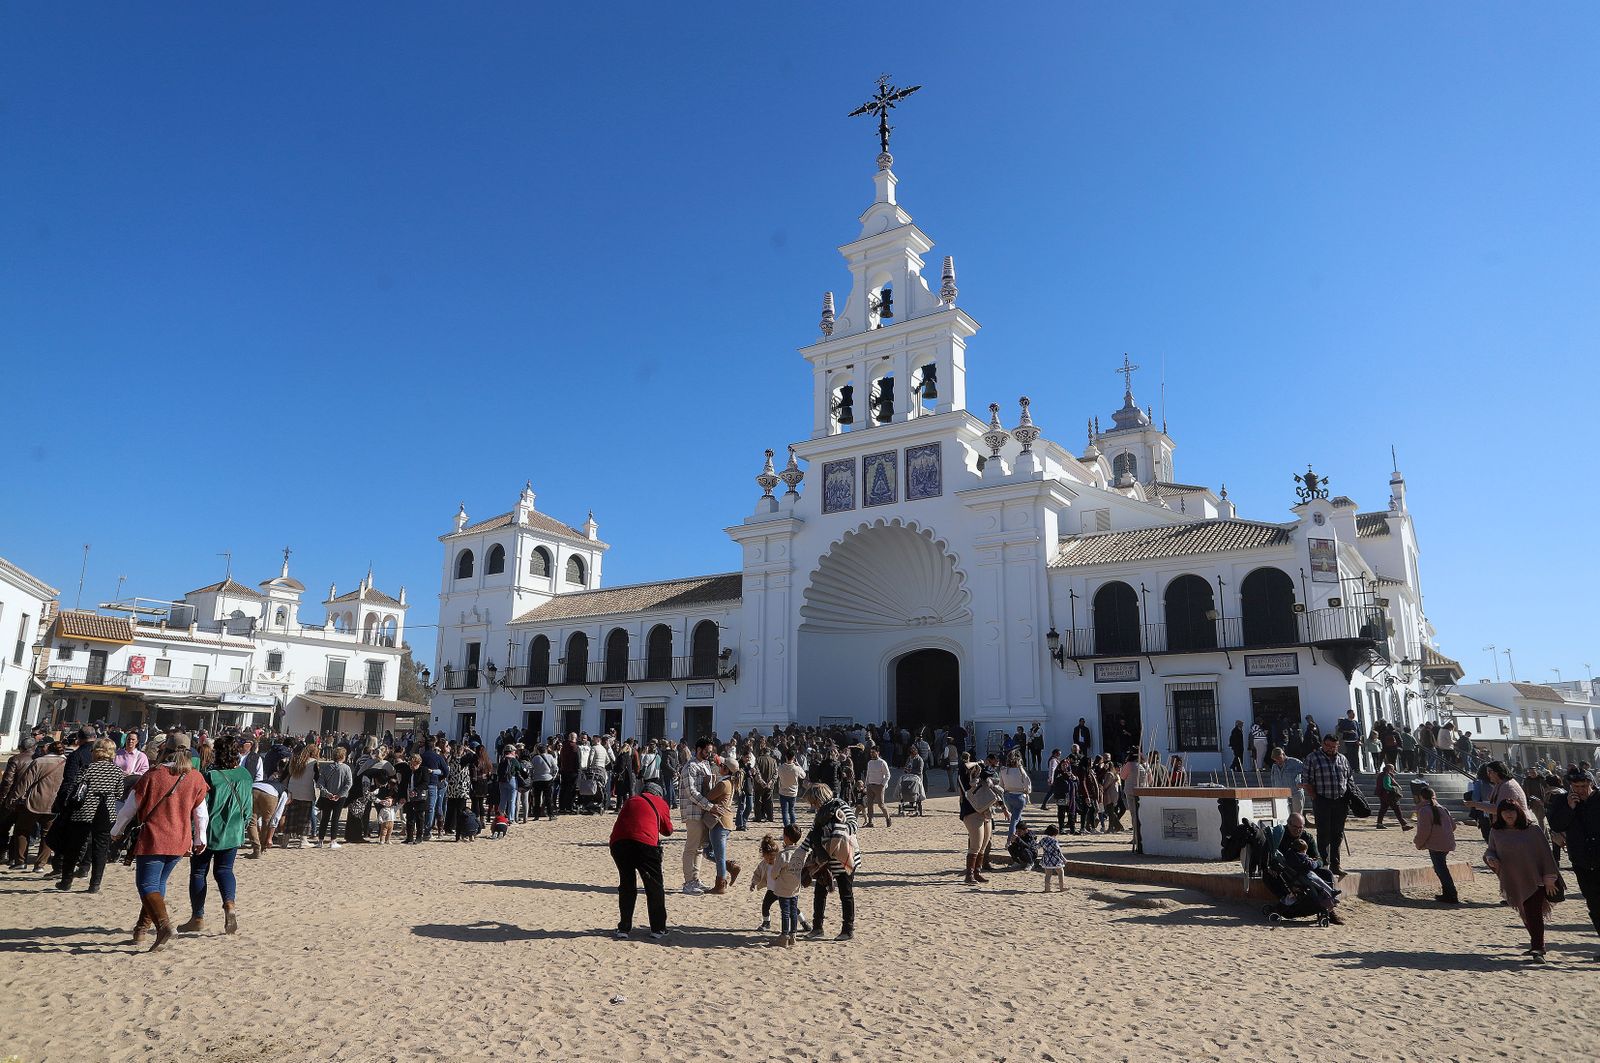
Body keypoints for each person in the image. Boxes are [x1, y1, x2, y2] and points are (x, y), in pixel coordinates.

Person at [109, 734, 210, 952]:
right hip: (180, 838)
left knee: (146, 885)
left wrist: (116, 830)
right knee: (158, 883)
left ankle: (163, 927)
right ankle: (141, 929)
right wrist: (200, 838)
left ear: (165, 749)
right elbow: (201, 813)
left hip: (154, 837)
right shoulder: (195, 777)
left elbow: (130, 807)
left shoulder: (153, 775)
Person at [179, 734, 252, 935]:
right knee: (225, 870)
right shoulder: (245, 775)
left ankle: (197, 917)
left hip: (209, 831)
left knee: (198, 872)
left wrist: (192, 832)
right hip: (233, 831)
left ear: (217, 753)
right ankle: (229, 904)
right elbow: (248, 807)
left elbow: (200, 807)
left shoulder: (210, 776)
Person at [1484, 799, 1560, 963]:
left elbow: (1546, 854)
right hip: (1512, 880)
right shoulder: (1496, 831)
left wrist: (1549, 878)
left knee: (1534, 913)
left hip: (1535, 879)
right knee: (1525, 913)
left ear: (1518, 812)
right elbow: (1491, 850)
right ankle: (1536, 945)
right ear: (1499, 814)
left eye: (1512, 811)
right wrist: (1491, 858)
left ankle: (1538, 948)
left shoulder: (1533, 830)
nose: (1508, 814)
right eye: (1504, 811)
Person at [54, 738, 123, 892]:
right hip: (106, 811)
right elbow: (119, 793)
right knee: (101, 848)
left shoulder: (87, 768)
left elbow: (76, 788)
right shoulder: (117, 771)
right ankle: (95, 884)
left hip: (84, 811)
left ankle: (66, 881)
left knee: (74, 846)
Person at [610, 781, 674, 940]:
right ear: (659, 794)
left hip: (619, 843)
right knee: (654, 886)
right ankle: (658, 928)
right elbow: (668, 830)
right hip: (645, 844)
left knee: (627, 885)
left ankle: (624, 928)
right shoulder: (660, 802)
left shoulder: (631, 800)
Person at [1546, 767, 1598, 957]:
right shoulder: (1562, 801)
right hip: (1581, 861)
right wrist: (1569, 807)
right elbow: (1556, 825)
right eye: (1576, 787)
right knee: (1594, 905)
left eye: (1584, 786)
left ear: (1591, 784)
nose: (1580, 790)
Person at [798, 783, 857, 941]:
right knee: (819, 893)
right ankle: (817, 928)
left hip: (843, 858)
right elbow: (813, 834)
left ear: (819, 797)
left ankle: (847, 930)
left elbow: (853, 825)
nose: (812, 805)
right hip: (824, 861)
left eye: (813, 801)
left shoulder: (840, 805)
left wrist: (837, 831)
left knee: (846, 894)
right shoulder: (820, 812)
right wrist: (801, 851)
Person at [9, 740, 65, 871]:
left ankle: (20, 861)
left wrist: (14, 798)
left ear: (48, 750)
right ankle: (40, 864)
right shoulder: (65, 763)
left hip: (35, 801)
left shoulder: (39, 762)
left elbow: (25, 783)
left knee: (22, 830)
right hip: (54, 802)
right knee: (47, 834)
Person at [1303, 733, 1352, 877]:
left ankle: (1336, 864)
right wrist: (1314, 797)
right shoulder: (1312, 758)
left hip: (1340, 800)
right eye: (1328, 746)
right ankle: (1324, 863)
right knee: (1323, 833)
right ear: (1323, 744)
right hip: (1322, 799)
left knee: (1337, 834)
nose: (1331, 749)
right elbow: (1307, 780)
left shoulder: (1342, 759)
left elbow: (1349, 778)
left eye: (1334, 746)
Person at [677, 738, 716, 894]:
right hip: (693, 812)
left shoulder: (705, 765)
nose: (709, 754)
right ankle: (688, 882)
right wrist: (710, 806)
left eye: (710, 751)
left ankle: (695, 878)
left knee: (699, 848)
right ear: (699, 749)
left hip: (704, 812)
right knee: (691, 847)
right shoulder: (690, 767)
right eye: (707, 751)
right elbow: (691, 792)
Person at [1412, 785, 1458, 904]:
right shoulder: (1442, 808)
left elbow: (1424, 831)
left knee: (1441, 870)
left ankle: (1451, 894)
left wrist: (1418, 843)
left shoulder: (1424, 811)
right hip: (1446, 843)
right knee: (1441, 869)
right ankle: (1448, 893)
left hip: (1435, 844)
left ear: (1421, 797)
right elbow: (1453, 826)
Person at [703, 757, 741, 894]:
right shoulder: (730, 782)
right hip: (725, 822)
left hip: (719, 822)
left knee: (718, 856)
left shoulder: (724, 784)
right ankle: (730, 867)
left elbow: (708, 797)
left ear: (726, 769)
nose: (719, 767)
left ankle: (720, 885)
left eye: (722, 766)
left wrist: (707, 783)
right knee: (709, 852)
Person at [959, 761, 998, 885]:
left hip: (986, 813)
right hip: (971, 813)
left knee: (983, 845)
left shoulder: (983, 780)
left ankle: (977, 872)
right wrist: (977, 762)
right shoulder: (965, 779)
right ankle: (969, 875)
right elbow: (964, 767)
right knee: (976, 845)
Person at [314, 747, 354, 848]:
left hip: (326, 796)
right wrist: (339, 794)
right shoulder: (346, 768)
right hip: (340, 797)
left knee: (324, 818)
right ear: (343, 756)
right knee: (335, 818)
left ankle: (320, 840)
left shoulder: (327, 767)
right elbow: (349, 783)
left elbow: (320, 783)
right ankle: (333, 841)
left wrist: (327, 793)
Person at [1265, 747, 1306, 818]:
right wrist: (1274, 791)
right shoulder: (1274, 766)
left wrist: (1302, 782)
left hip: (1295, 794)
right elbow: (1273, 780)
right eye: (1275, 759)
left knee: (1297, 817)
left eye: (1279, 758)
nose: (1278, 761)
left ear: (1283, 754)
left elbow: (1307, 772)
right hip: (1280, 796)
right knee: (1282, 817)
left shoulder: (1295, 762)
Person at [1374, 762, 1412, 831]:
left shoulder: (1381, 775)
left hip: (1382, 795)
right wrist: (1394, 788)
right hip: (1389, 796)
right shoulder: (1386, 775)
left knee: (1383, 809)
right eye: (1392, 769)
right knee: (1397, 809)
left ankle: (1379, 824)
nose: (1393, 770)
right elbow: (1387, 786)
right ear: (1390, 769)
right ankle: (1404, 825)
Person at [862, 746, 893, 828]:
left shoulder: (882, 762)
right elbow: (868, 774)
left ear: (878, 752)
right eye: (871, 752)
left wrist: (883, 784)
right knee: (869, 804)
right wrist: (866, 784)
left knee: (881, 804)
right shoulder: (870, 762)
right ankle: (870, 821)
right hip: (870, 785)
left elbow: (887, 774)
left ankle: (888, 818)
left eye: (873, 752)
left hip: (879, 786)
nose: (871, 754)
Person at [776, 748, 805, 830]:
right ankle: (793, 827)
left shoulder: (781, 767)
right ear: (794, 757)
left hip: (783, 792)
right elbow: (803, 775)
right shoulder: (796, 768)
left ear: (785, 757)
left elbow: (778, 775)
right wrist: (798, 765)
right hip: (793, 792)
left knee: (784, 812)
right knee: (791, 811)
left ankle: (787, 827)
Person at [1038, 824, 1066, 893]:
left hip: (1046, 858)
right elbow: (1058, 851)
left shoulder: (1043, 839)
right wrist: (1063, 859)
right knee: (1060, 872)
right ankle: (1062, 887)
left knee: (1048, 874)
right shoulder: (1054, 841)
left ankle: (1047, 889)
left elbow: (1037, 846)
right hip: (1055, 859)